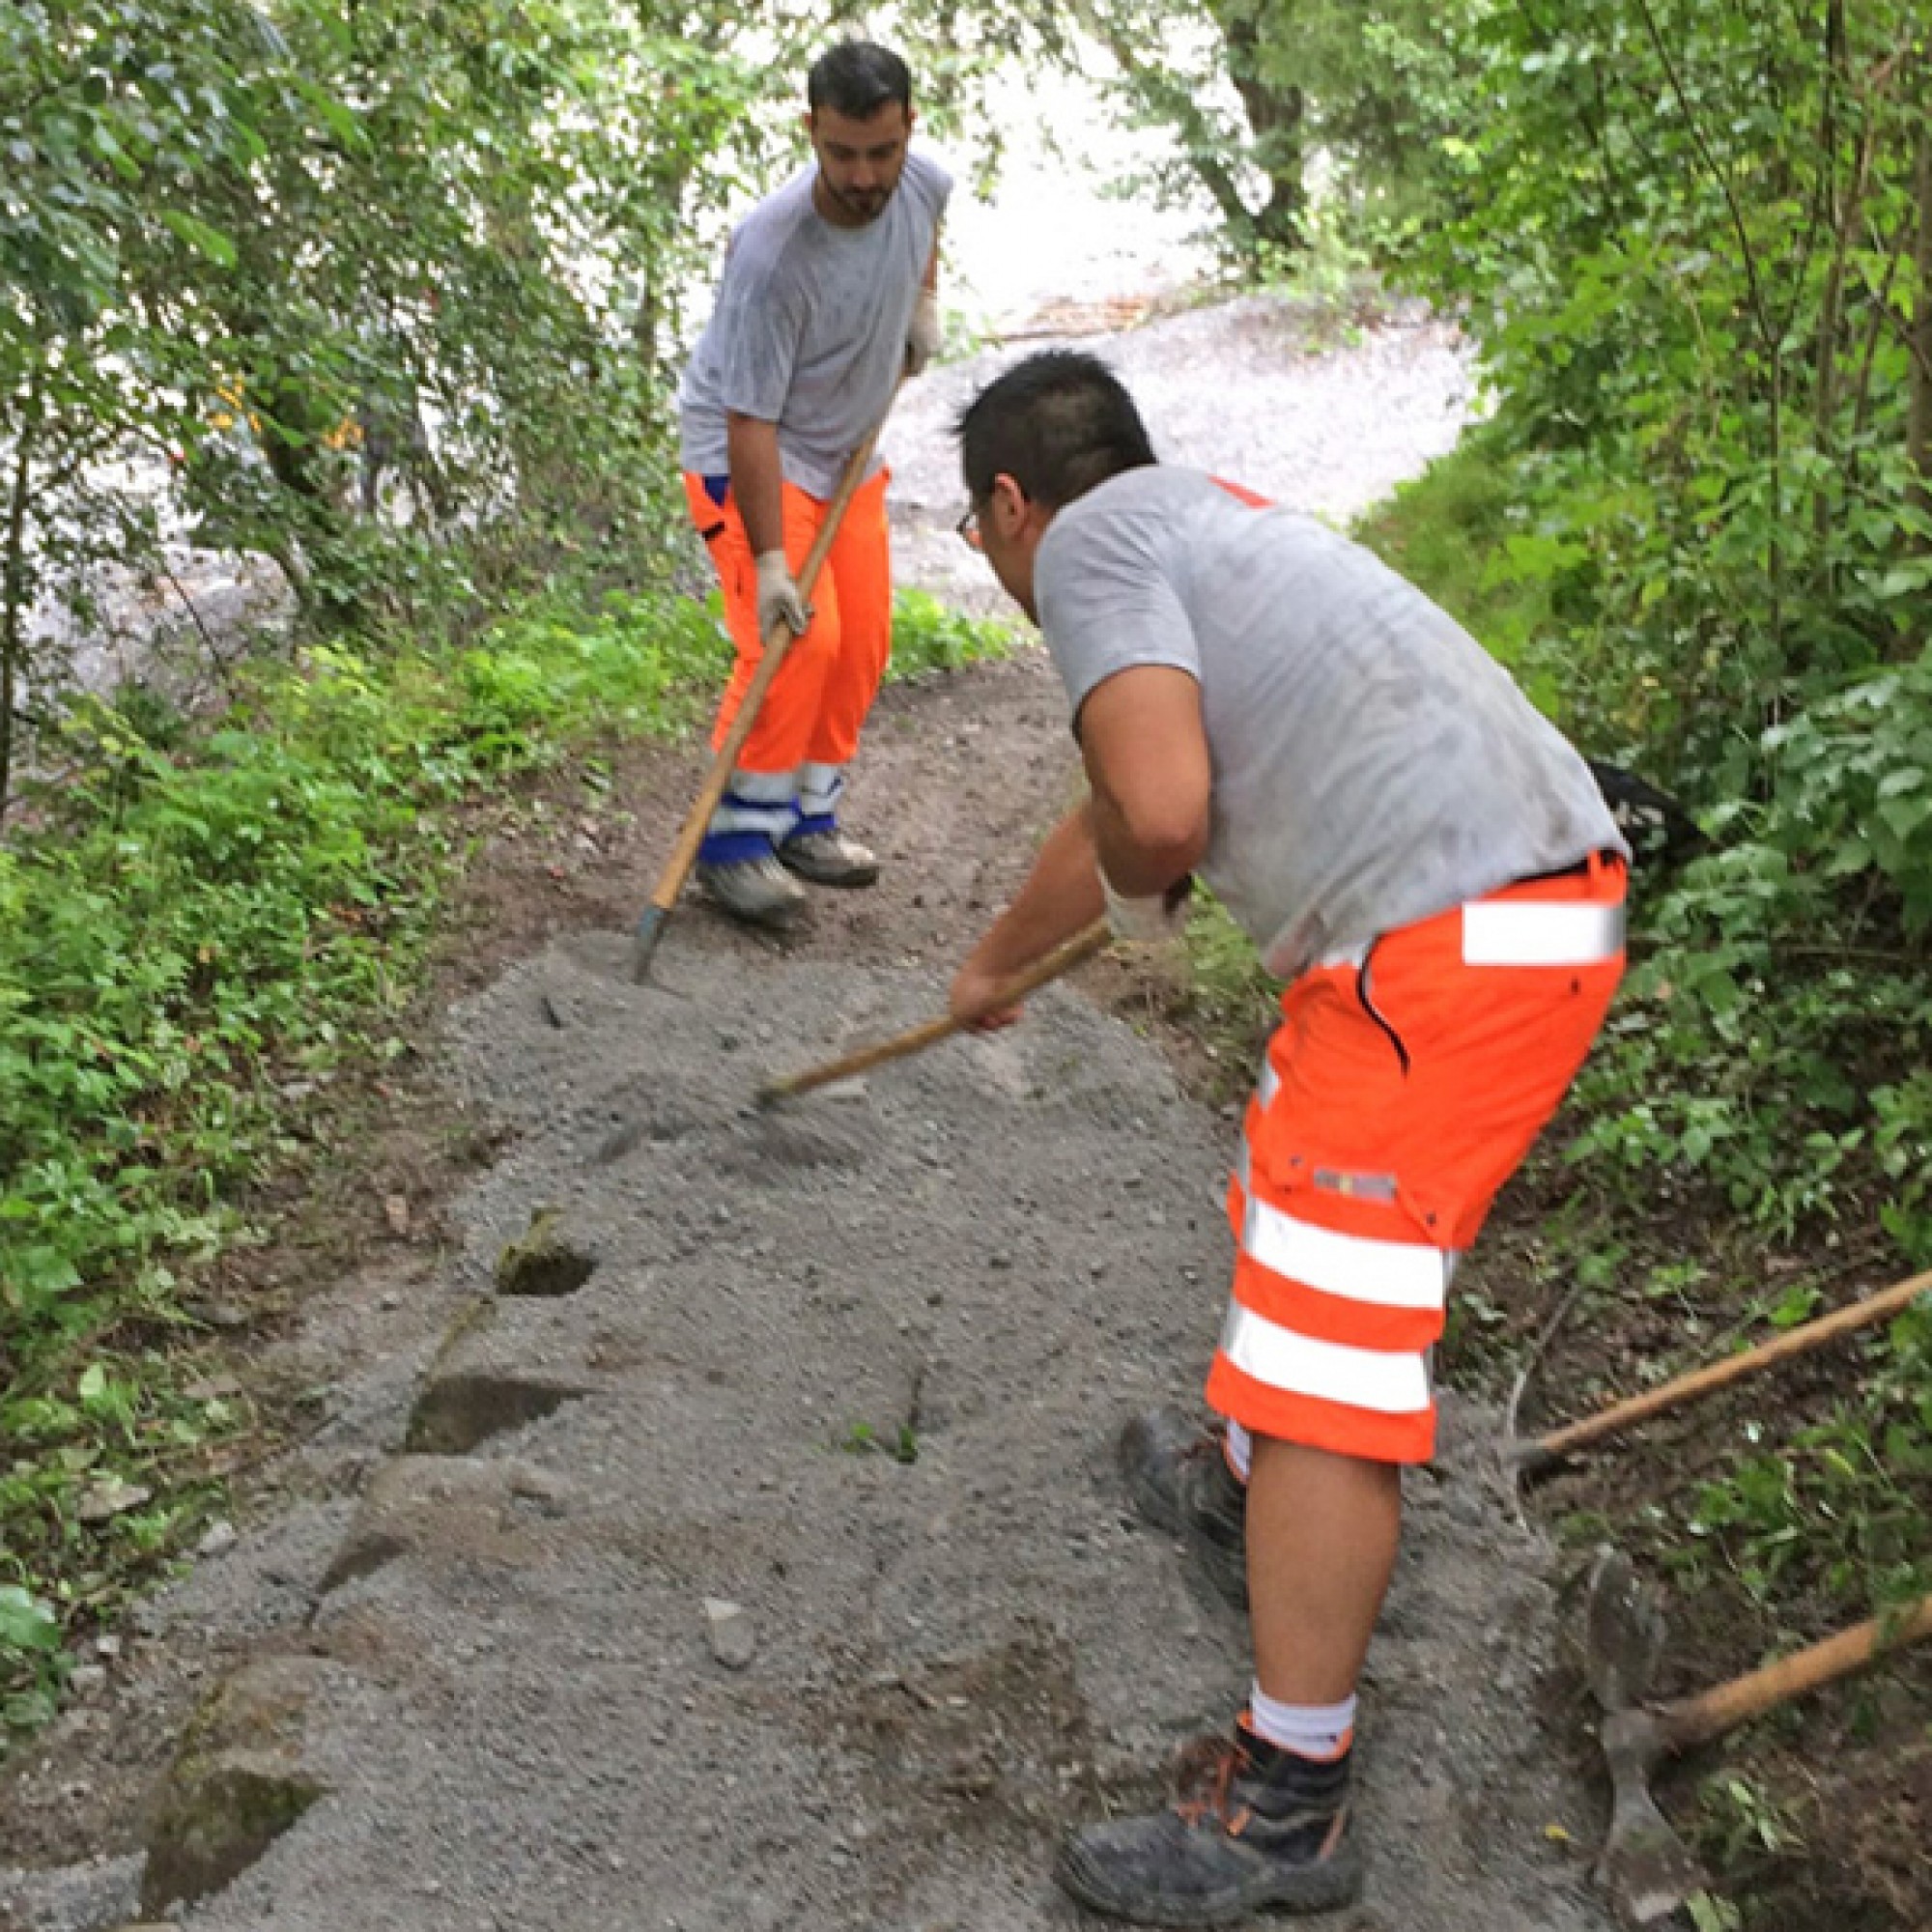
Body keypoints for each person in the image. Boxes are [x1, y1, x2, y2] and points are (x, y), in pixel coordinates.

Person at [948, 350, 1630, 1924]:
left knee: (1332, 1356)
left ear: (1008, 504)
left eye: (984, 542)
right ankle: (1246, 1479)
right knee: (1283, 1160)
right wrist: (993, 965)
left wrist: (1146, 841)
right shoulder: (1211, 524)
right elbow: (1117, 812)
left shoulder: (1097, 551)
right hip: (1480, 910)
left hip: (1459, 943)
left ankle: (1289, 1801)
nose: (996, 573)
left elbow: (1161, 818)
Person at [675, 40, 950, 929]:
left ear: (909, 127)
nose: (864, 176)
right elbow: (748, 420)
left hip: (845, 454)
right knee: (797, 639)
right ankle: (731, 845)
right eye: (841, 153)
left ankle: (802, 820)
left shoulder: (924, 183)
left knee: (863, 640)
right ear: (811, 133)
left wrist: (921, 304)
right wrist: (771, 562)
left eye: (881, 151)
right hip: (746, 457)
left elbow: (926, 230)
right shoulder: (771, 253)